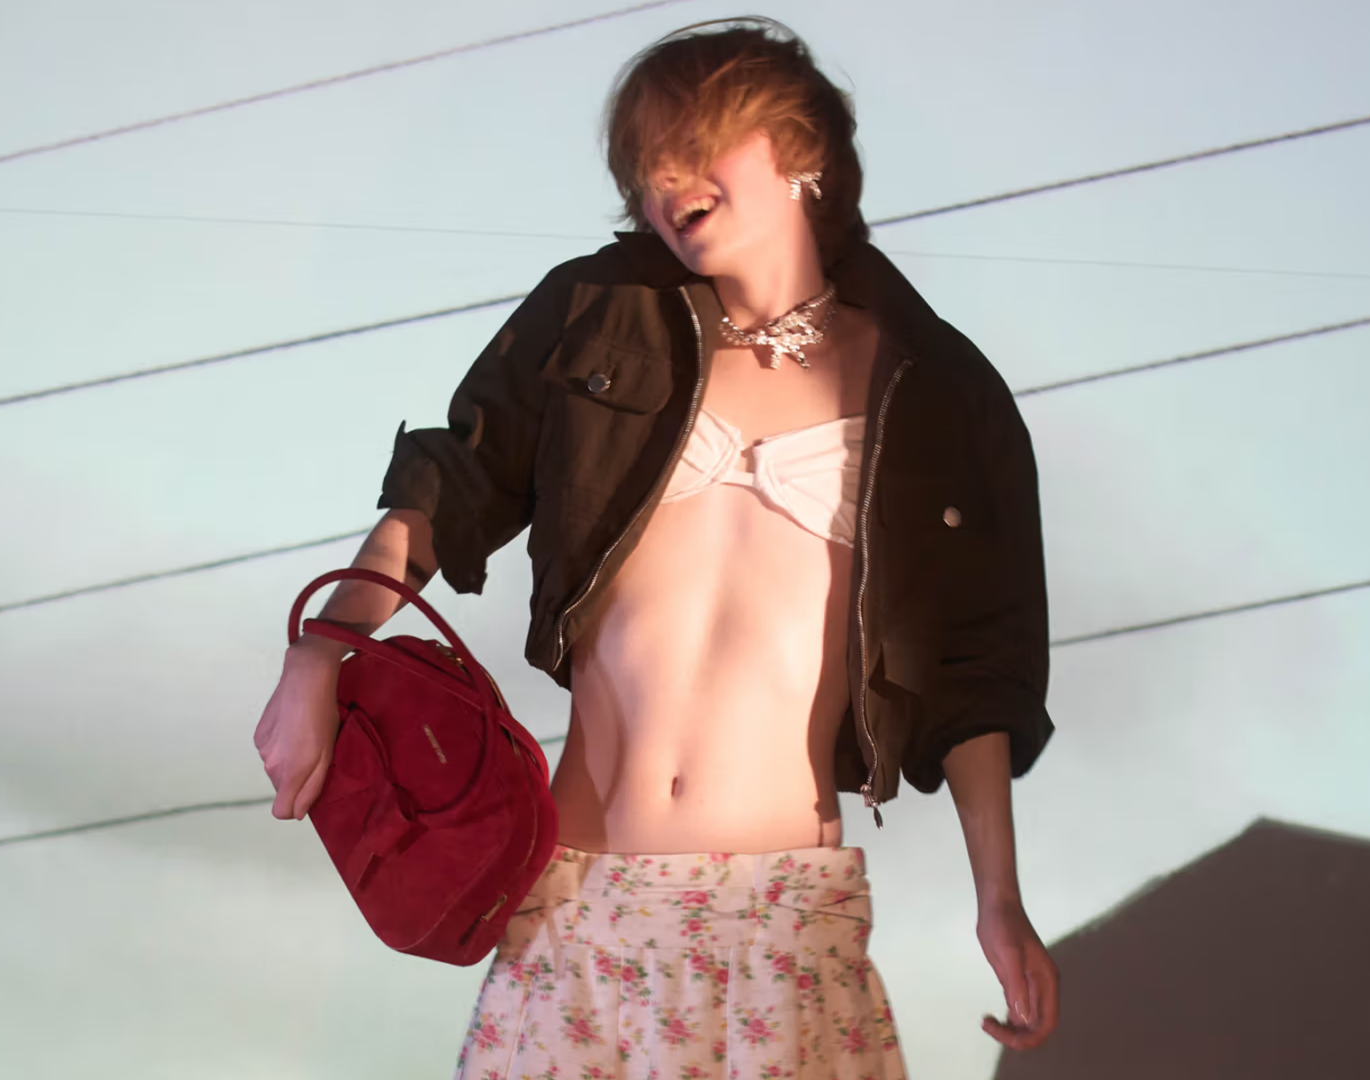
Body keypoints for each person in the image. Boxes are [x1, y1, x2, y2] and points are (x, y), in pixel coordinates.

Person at [255, 17, 1059, 1078]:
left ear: (799, 148)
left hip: (782, 928)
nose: (667, 183)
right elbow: (449, 486)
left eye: (695, 145)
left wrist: (999, 899)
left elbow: (976, 667)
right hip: (572, 912)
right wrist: (323, 646)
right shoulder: (599, 315)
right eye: (647, 167)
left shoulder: (939, 390)